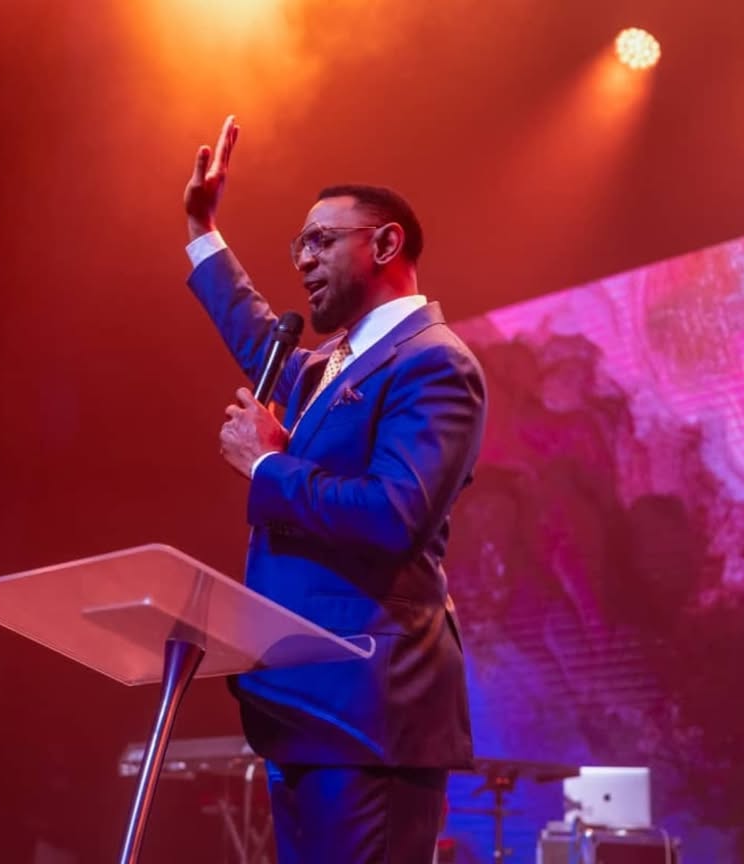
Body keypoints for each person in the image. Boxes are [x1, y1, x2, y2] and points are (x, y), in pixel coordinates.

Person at [183, 115, 487, 864]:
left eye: (321, 241)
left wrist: (268, 467)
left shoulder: (435, 362)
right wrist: (203, 231)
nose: (303, 260)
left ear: (384, 244)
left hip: (367, 711)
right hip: (303, 707)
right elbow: (257, 334)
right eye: (299, 245)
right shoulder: (325, 365)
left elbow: (394, 514)